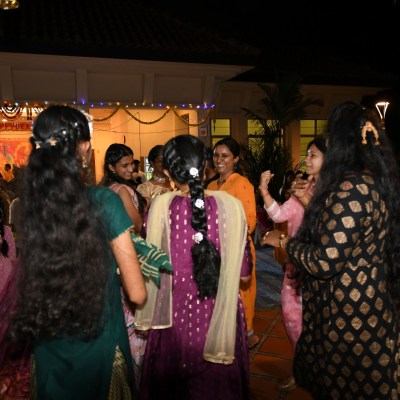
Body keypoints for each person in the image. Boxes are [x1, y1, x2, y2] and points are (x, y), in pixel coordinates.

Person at [0, 105, 147, 399]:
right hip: (101, 342)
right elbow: (138, 294)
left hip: (49, 345)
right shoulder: (105, 201)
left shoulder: (35, 207)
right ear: (85, 148)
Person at [261, 101, 400, 399]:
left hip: (349, 312)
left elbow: (326, 260)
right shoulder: (372, 181)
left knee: (349, 386)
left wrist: (284, 242)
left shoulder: (351, 188)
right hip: (370, 301)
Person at [137, 134, 251, 400]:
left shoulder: (160, 208)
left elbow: (150, 266)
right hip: (218, 318)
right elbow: (244, 276)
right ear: (205, 166)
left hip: (173, 317)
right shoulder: (231, 207)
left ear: (167, 172)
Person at [258, 136, 326, 391]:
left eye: (313, 155)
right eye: (307, 154)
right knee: (291, 316)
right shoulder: (303, 187)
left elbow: (328, 223)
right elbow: (278, 215)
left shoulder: (336, 191)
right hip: (295, 266)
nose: (306, 160)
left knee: (319, 322)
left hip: (322, 270)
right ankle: (300, 367)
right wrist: (264, 190)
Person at [207, 137, 258, 349]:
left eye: (225, 155)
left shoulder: (241, 184)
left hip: (237, 250)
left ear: (235, 159)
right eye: (216, 155)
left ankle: (247, 334)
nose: (219, 160)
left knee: (241, 293)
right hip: (215, 251)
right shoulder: (211, 185)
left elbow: (249, 222)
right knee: (220, 295)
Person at [100, 144, 145, 235]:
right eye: (125, 166)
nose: (131, 169)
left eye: (132, 164)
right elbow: (138, 225)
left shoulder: (104, 187)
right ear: (111, 167)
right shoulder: (121, 190)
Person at [136, 145, 172, 210]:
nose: (165, 164)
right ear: (152, 163)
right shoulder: (145, 188)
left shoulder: (176, 184)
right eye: (161, 161)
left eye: (167, 160)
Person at [0, 198, 16, 293]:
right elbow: (12, 256)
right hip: (7, 270)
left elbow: (12, 256)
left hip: (6, 271)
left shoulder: (6, 231)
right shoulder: (7, 230)